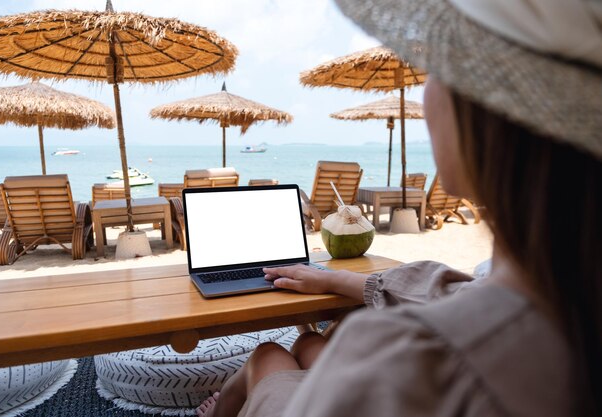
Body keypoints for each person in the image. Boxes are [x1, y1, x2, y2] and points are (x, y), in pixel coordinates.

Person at [197, 0, 602, 416]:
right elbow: (460, 290)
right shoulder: (572, 299)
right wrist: (335, 281)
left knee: (267, 356)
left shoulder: (412, 358)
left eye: (438, 73)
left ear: (489, 114)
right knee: (309, 343)